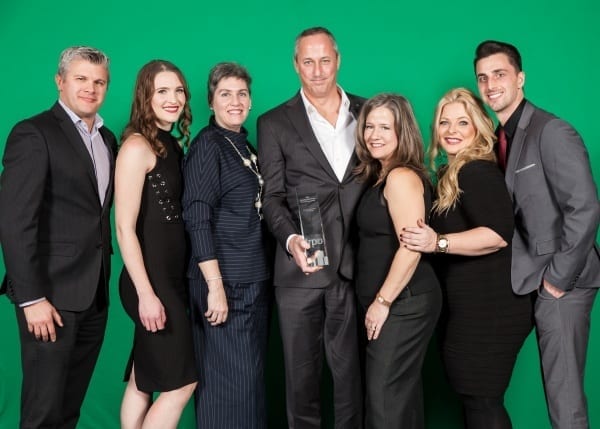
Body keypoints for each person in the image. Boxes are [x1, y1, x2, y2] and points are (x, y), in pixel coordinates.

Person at [473, 41, 600, 429]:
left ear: (520, 78)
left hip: (564, 279)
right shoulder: (499, 137)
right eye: (483, 77)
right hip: (522, 279)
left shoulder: (551, 130)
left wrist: (558, 280)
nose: (491, 84)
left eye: (500, 74)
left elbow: (586, 207)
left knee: (563, 398)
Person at [400, 88, 533, 428]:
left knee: (482, 401)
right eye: (444, 122)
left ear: (478, 127)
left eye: (463, 122)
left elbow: (497, 235)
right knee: (475, 399)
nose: (451, 130)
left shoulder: (477, 171)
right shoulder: (452, 173)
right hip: (470, 308)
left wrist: (437, 242)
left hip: (492, 310)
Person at [0, 46, 116, 429]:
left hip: (94, 294)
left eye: (99, 81)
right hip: (48, 298)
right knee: (43, 412)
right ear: (60, 81)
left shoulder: (107, 139)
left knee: (68, 410)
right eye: (81, 79)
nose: (90, 88)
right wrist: (31, 298)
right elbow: (15, 222)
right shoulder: (34, 133)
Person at [257, 26, 364, 428]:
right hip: (300, 272)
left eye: (324, 60)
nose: (317, 70)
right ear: (295, 65)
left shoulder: (368, 112)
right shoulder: (274, 123)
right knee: (301, 384)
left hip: (357, 270)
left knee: (352, 382)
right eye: (307, 61)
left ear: (338, 60)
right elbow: (272, 196)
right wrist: (289, 239)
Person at [182, 62, 271, 429]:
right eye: (225, 94)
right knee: (228, 389)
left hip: (252, 282)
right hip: (225, 286)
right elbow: (197, 216)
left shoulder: (244, 145)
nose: (235, 101)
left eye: (242, 93)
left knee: (248, 387)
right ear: (211, 101)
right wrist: (215, 286)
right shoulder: (208, 145)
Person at [115, 60, 197, 429]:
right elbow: (123, 228)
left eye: (178, 90)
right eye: (162, 91)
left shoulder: (171, 144)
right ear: (145, 96)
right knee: (183, 383)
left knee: (142, 377)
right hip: (149, 282)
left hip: (170, 279)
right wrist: (147, 294)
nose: (173, 98)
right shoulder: (136, 146)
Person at [353, 93, 442, 428]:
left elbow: (411, 247)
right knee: (399, 399)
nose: (374, 134)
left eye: (384, 127)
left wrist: (381, 301)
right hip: (394, 301)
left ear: (401, 131)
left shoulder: (401, 177)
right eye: (369, 126)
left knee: (385, 400)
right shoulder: (380, 174)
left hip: (404, 301)